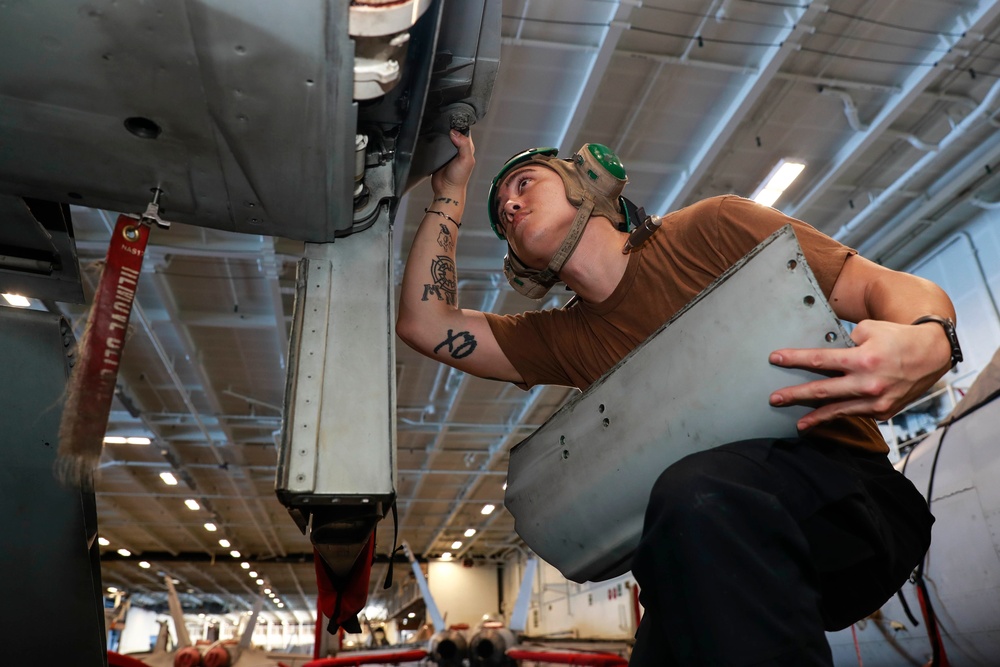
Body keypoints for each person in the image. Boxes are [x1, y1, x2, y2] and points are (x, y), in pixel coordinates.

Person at [396, 130, 959, 665]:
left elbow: (883, 285)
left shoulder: (710, 227)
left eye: (524, 184)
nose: (510, 209)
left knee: (694, 490)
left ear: (587, 179)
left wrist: (929, 334)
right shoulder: (563, 340)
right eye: (501, 216)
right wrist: (450, 192)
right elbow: (425, 323)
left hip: (851, 504)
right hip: (707, 545)